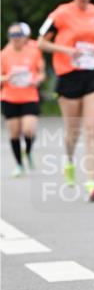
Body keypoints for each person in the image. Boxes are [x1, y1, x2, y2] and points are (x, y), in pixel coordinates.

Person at [38, 0, 94, 202]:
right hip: (68, 75)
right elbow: (41, 42)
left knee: (91, 128)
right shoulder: (60, 13)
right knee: (73, 131)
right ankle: (68, 161)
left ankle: (91, 183)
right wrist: (67, 51)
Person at [1, 22, 45, 176]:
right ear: (9, 37)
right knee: (14, 133)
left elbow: (41, 73)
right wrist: (7, 77)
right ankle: (19, 165)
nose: (16, 38)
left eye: (19, 35)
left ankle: (28, 150)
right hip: (9, 98)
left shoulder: (33, 52)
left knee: (29, 130)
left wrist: (37, 80)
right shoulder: (4, 54)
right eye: (13, 35)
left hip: (29, 96)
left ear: (24, 37)